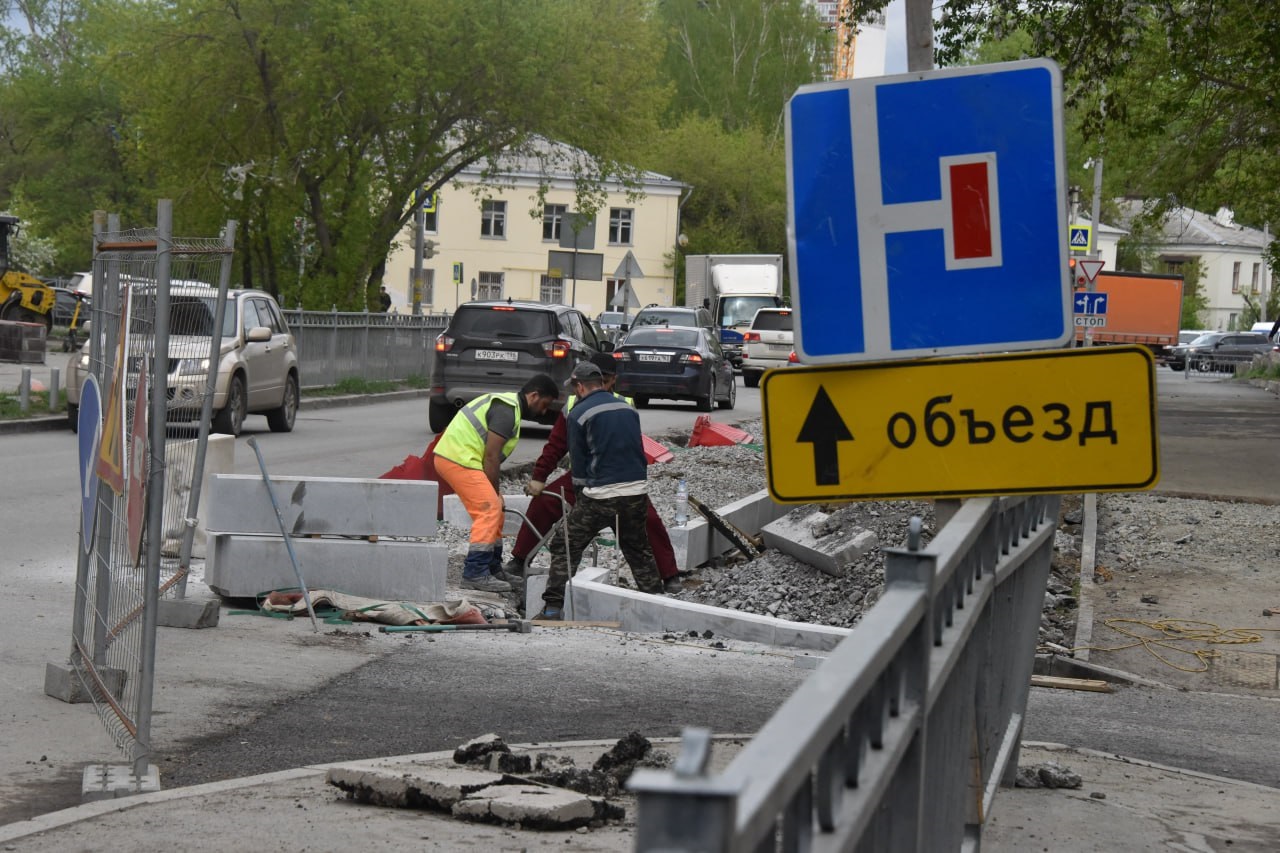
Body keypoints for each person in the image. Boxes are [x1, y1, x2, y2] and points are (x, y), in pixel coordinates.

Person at [506, 352, 682, 592]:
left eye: (606, 380)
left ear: (611, 381)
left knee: (647, 521)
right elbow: (556, 446)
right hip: (584, 474)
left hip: (618, 475)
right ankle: (519, 560)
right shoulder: (573, 406)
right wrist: (539, 477)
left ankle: (669, 575)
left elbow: (633, 448)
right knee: (545, 502)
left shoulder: (625, 404)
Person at [536, 362, 664, 620]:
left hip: (600, 495)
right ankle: (657, 607)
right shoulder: (627, 408)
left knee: (565, 544)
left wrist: (580, 497)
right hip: (636, 491)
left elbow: (579, 465)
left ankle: (552, 608)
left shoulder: (579, 412)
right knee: (638, 549)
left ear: (581, 386)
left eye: (575, 388)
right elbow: (636, 451)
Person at [432, 374, 559, 592]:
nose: (544, 411)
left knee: (496, 507)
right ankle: (475, 573)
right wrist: (494, 494)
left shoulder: (510, 408)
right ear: (534, 395)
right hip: (457, 458)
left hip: (461, 458)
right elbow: (491, 457)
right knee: (490, 508)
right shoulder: (507, 411)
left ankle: (492, 568)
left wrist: (496, 495)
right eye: (544, 405)